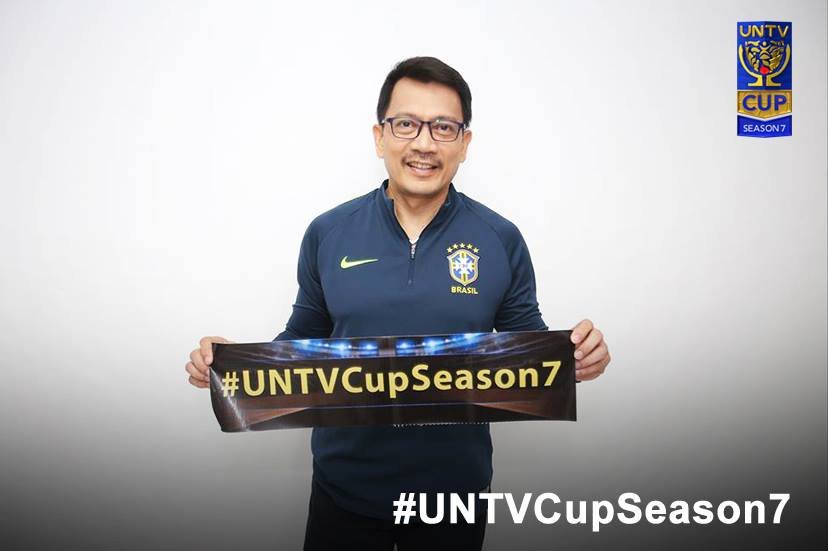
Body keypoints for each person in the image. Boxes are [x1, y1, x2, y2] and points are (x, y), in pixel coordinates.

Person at [185, 56, 611, 550]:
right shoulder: (329, 232)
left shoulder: (500, 238)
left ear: (464, 143)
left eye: (444, 127)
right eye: (406, 124)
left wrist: (577, 358)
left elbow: (529, 347)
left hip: (453, 498)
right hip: (343, 489)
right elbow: (302, 339)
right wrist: (230, 365)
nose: (424, 143)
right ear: (380, 136)